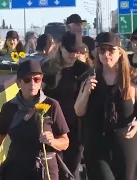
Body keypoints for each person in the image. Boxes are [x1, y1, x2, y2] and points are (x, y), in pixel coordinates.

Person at [0, 60, 69, 180]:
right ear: (18, 83)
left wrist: (52, 141)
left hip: (44, 169)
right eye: (27, 79)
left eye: (37, 79)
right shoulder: (9, 107)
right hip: (16, 168)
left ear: (41, 81)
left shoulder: (52, 105)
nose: (32, 83)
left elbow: (65, 142)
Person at [75, 32, 137, 180]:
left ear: (120, 52)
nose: (106, 54)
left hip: (125, 143)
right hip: (96, 144)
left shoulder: (132, 77)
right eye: (102, 50)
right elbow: (78, 111)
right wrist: (86, 93)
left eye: (111, 50)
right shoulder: (89, 77)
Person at [42, 31, 89, 180]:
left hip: (75, 128)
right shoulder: (49, 68)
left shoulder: (83, 69)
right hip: (53, 127)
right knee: (54, 170)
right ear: (61, 48)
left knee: (72, 171)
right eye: (70, 51)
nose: (73, 55)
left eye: (77, 51)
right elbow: (39, 93)